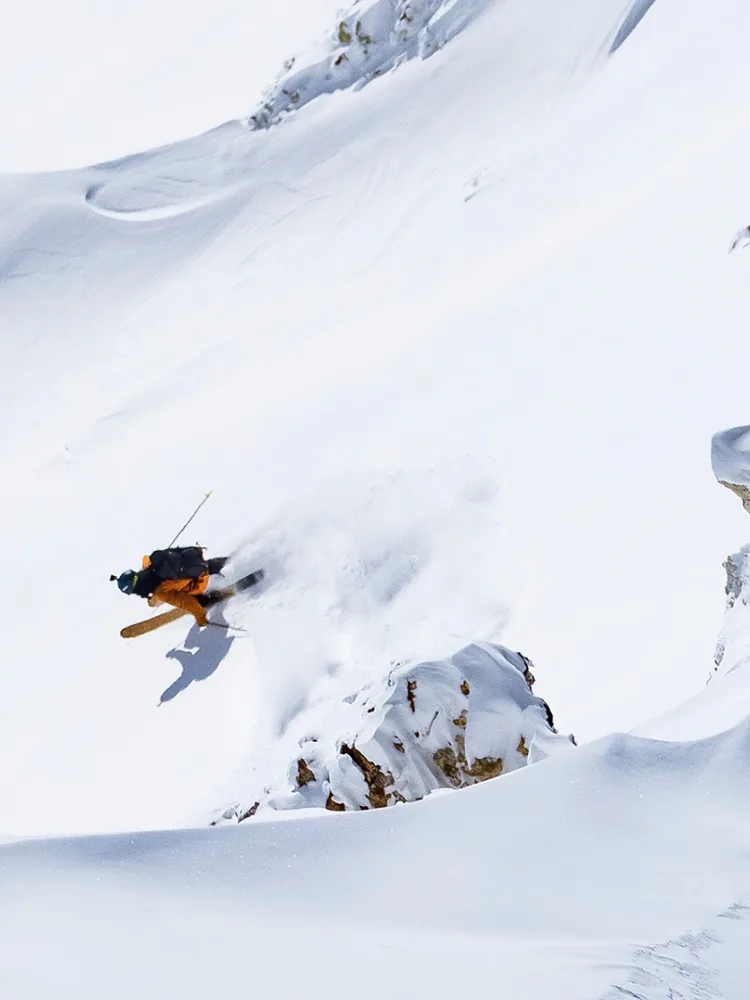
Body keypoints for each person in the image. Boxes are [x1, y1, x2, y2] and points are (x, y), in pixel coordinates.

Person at [112, 547, 228, 627]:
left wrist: (201, 618)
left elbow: (187, 602)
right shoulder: (148, 565)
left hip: (198, 581)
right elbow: (146, 558)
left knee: (196, 600)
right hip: (198, 564)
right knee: (214, 565)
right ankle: (235, 559)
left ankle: (214, 596)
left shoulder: (160, 593)